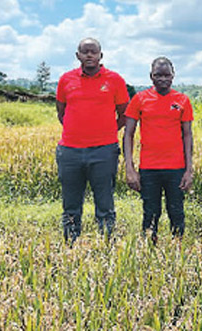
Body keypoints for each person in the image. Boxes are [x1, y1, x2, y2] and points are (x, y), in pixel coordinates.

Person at [56, 37, 129, 245]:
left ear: (100, 56)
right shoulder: (66, 80)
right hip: (70, 152)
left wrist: (106, 131)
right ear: (77, 55)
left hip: (104, 151)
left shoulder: (114, 80)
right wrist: (77, 131)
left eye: (93, 52)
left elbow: (124, 114)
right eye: (85, 51)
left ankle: (106, 246)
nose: (89, 55)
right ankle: (70, 246)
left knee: (105, 204)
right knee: (70, 204)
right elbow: (61, 111)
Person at [123, 57, 194, 244]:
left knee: (176, 211)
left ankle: (178, 252)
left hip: (176, 167)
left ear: (173, 76)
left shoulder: (182, 100)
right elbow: (128, 134)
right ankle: (150, 252)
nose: (163, 79)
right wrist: (129, 168)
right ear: (151, 76)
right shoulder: (139, 99)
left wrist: (189, 169)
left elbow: (187, 135)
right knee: (151, 213)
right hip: (149, 168)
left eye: (167, 75)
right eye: (158, 75)